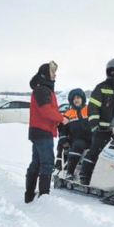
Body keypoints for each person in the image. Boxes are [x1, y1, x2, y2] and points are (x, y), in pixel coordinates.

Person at [79, 57, 114, 185]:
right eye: (113, 71)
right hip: (103, 128)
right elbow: (93, 108)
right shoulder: (100, 88)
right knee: (96, 149)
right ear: (108, 71)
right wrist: (95, 125)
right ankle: (85, 174)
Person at [25, 61, 68, 203]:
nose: (55, 74)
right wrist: (61, 119)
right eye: (52, 72)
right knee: (47, 163)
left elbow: (50, 110)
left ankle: (29, 195)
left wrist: (60, 116)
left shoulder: (43, 89)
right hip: (42, 131)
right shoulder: (42, 90)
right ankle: (44, 196)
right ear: (45, 74)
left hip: (39, 131)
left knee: (37, 163)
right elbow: (46, 111)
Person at [55, 88, 92, 180]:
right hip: (77, 139)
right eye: (74, 98)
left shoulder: (90, 110)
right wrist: (63, 139)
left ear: (82, 98)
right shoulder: (68, 113)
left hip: (92, 137)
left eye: (78, 98)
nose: (76, 100)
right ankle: (70, 172)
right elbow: (62, 129)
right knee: (77, 147)